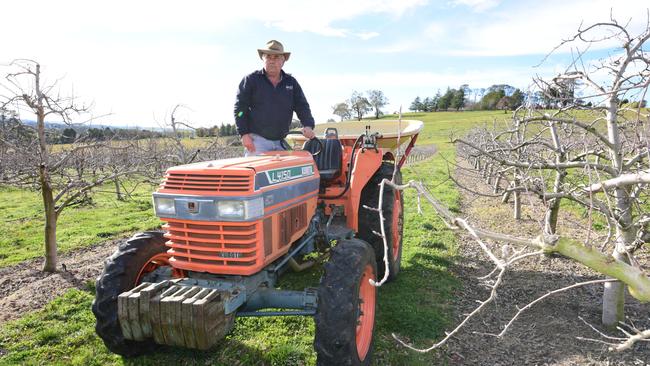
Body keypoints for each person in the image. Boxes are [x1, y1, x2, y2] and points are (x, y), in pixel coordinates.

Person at [234, 40, 316, 156]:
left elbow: (302, 106)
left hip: (281, 142)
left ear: (283, 61)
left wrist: (308, 125)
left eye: (276, 57)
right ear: (263, 59)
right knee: (258, 173)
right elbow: (240, 110)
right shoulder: (251, 80)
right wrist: (243, 134)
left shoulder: (291, 83)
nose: (272, 61)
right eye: (268, 57)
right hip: (257, 143)